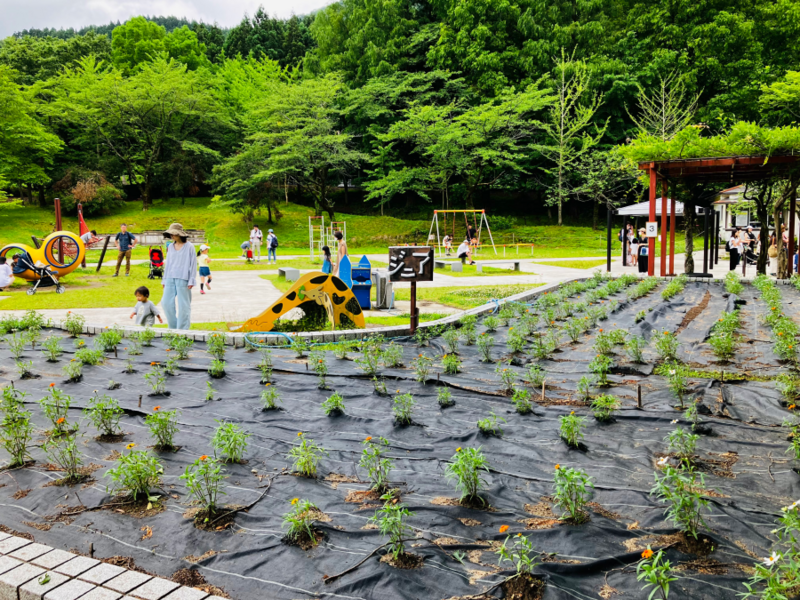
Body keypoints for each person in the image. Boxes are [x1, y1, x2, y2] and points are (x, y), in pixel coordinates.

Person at [161, 223, 196, 330]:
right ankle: (173, 327)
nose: (172, 236)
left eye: (174, 233)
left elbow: (193, 264)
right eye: (170, 234)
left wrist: (191, 280)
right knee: (165, 303)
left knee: (184, 306)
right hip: (170, 278)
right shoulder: (170, 246)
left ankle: (182, 330)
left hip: (184, 278)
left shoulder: (189, 246)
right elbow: (168, 263)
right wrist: (164, 279)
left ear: (180, 234)